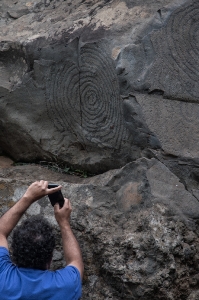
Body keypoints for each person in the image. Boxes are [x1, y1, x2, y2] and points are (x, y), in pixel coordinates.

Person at [0, 180, 84, 300]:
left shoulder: (2, 275)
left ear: (13, 251)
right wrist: (64, 223)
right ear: (50, 258)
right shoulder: (67, 286)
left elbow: (0, 232)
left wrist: (28, 197)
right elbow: (76, 262)